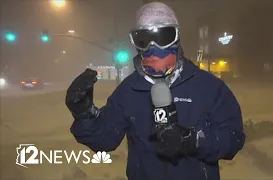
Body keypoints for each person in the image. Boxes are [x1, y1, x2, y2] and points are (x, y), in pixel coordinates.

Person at [65, 2, 245, 180]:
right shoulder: (128, 92)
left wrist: (194, 140)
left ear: (177, 37)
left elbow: (233, 138)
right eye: (144, 39)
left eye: (163, 36)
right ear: (135, 43)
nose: (153, 46)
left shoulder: (208, 87)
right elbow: (104, 139)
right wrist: (84, 114)